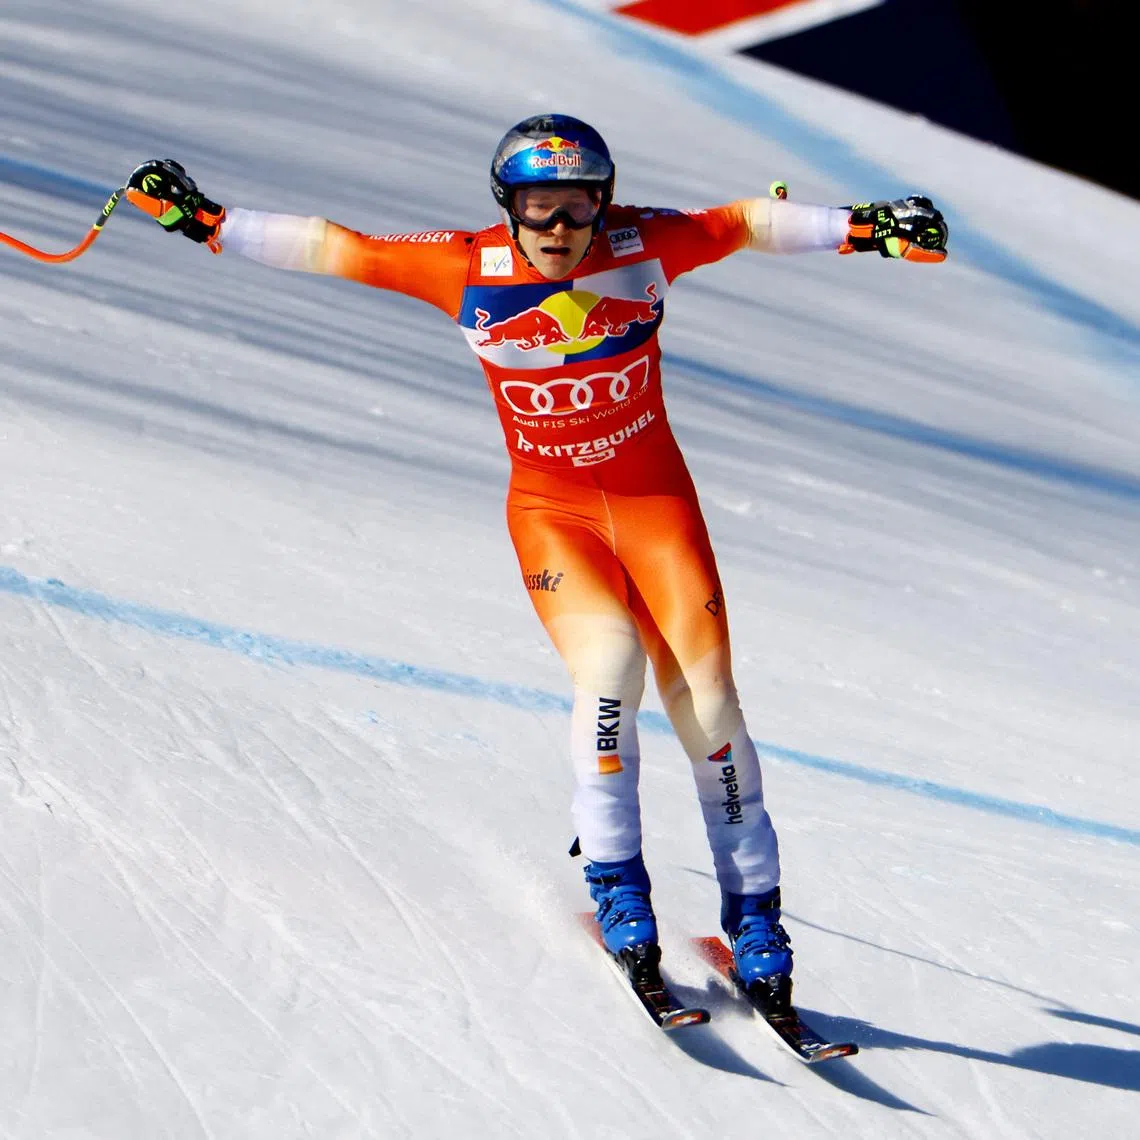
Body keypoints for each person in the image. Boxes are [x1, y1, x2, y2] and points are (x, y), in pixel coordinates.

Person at [124, 114, 947, 1002]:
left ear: (605, 203)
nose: (558, 228)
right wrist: (208, 223)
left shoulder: (642, 243)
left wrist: (866, 228)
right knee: (611, 673)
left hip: (657, 510)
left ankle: (755, 919)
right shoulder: (465, 267)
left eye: (578, 208)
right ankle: (619, 886)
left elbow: (746, 221)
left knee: (710, 705)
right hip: (555, 515)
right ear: (507, 206)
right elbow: (336, 247)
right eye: (538, 207)